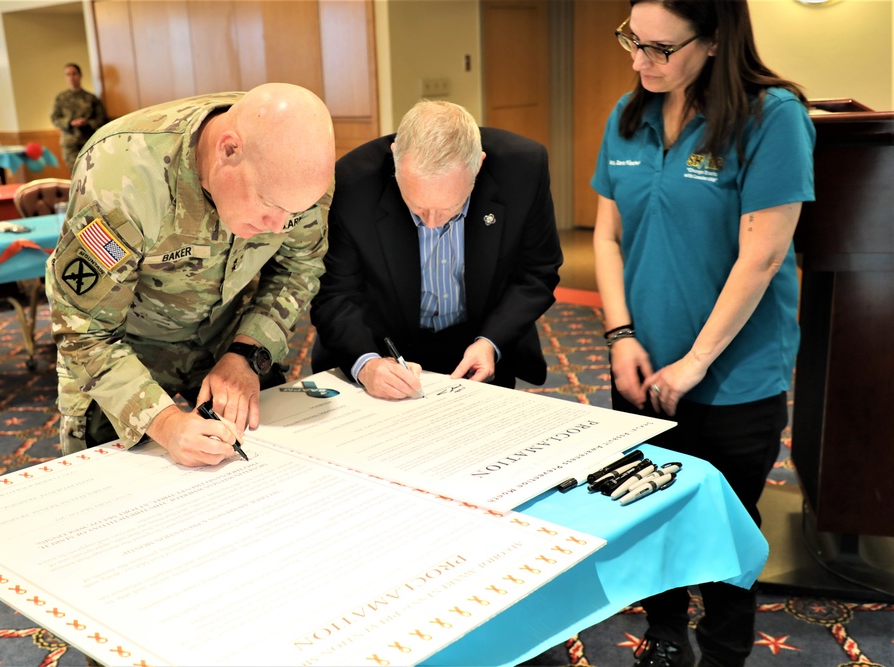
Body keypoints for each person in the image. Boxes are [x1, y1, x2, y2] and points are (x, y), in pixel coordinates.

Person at [592, 2, 815, 666]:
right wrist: (620, 334)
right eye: (633, 41)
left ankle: (721, 652)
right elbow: (606, 235)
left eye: (661, 48)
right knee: (649, 515)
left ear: (716, 39)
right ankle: (664, 638)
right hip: (641, 365)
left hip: (733, 377)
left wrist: (694, 362)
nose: (640, 61)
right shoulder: (626, 118)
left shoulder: (773, 118)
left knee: (724, 533)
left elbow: (763, 256)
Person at [45, 83, 335, 467]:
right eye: (268, 205)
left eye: (292, 214)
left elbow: (299, 266)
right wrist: (164, 424)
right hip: (127, 351)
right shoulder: (122, 177)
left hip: (227, 334)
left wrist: (247, 353)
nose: (278, 226)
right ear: (228, 150)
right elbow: (84, 330)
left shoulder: (298, 173)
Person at [310, 100, 562, 398]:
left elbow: (537, 272)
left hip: (481, 339)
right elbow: (336, 293)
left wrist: (490, 343)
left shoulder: (522, 169)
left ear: (478, 165)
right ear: (395, 159)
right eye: (416, 207)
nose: (430, 224)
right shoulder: (352, 182)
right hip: (383, 347)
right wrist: (367, 364)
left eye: (450, 209)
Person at [50, 63, 108, 171]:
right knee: (76, 174)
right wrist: (70, 122)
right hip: (70, 144)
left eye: (74, 73)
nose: (71, 77)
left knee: (92, 172)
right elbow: (54, 118)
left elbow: (101, 119)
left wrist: (87, 123)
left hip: (88, 141)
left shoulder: (91, 98)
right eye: (68, 74)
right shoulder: (61, 98)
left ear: (80, 75)